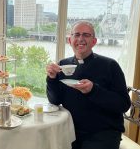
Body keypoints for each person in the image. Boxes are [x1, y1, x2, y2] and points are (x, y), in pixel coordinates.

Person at [46, 21, 131, 149]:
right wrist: (51, 78)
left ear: (94, 41)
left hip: (103, 133)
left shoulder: (110, 65)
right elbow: (55, 100)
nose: (81, 39)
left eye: (86, 35)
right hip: (70, 130)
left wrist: (93, 90)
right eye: (77, 35)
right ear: (70, 40)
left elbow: (123, 104)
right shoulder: (63, 65)